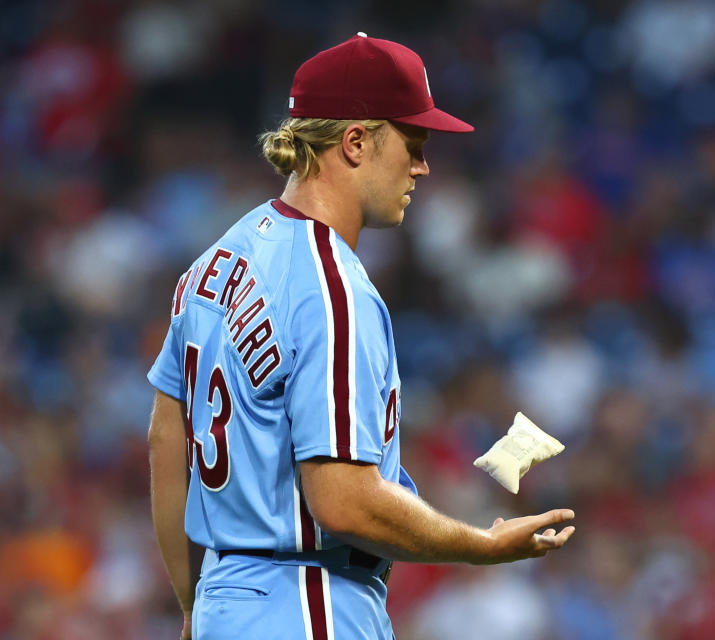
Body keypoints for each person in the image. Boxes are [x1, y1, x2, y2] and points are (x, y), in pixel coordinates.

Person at [147, 33, 576, 640]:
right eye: (413, 142)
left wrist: (197, 605)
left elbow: (169, 441)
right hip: (310, 601)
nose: (423, 165)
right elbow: (344, 503)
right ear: (355, 142)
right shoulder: (331, 288)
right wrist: (481, 545)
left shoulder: (215, 263)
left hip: (229, 601)